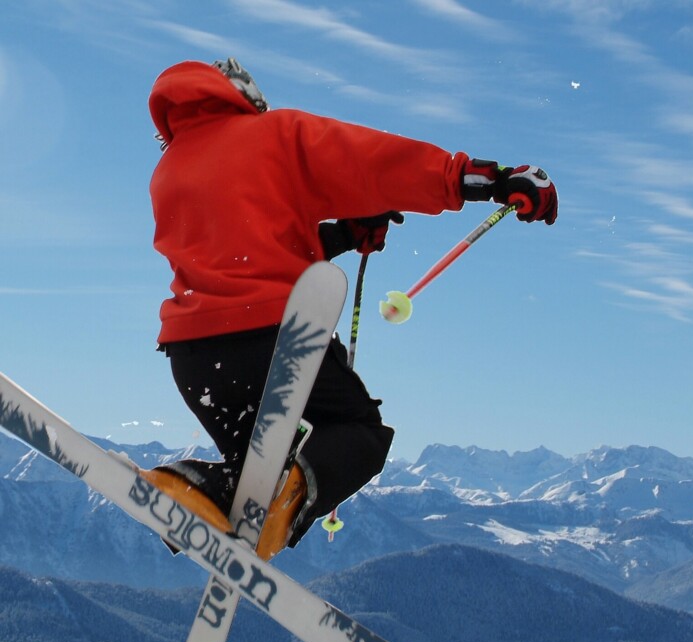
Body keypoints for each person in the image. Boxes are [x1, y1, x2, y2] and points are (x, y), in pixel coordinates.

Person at [144, 58, 558, 558]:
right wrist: (486, 180)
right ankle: (263, 509)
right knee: (359, 433)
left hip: (193, 357)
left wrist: (343, 234)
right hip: (275, 341)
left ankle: (189, 487)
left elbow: (244, 249)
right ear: (246, 98)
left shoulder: (171, 169)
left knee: (253, 473)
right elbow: (374, 161)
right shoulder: (275, 134)